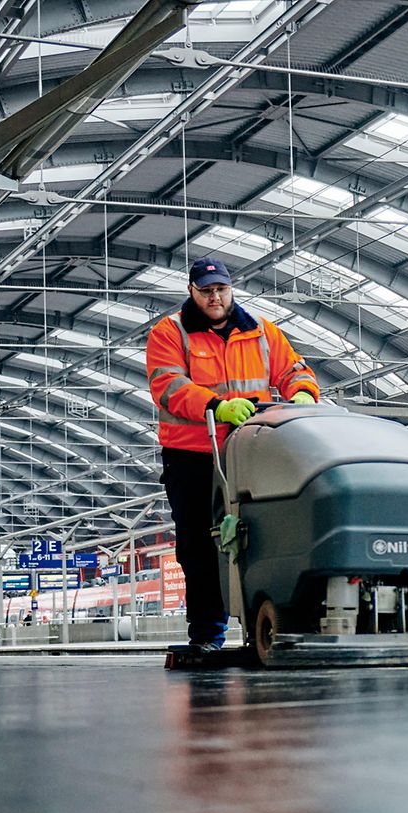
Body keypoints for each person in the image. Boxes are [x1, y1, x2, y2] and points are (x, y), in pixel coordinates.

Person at [146, 258, 321, 652]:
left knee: (258, 536)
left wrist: (303, 396)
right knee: (198, 545)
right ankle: (207, 635)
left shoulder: (262, 333)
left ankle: (266, 621)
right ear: (191, 291)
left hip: (250, 455)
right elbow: (168, 386)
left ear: (231, 289)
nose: (215, 297)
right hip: (191, 457)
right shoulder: (170, 333)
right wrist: (216, 405)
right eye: (206, 291)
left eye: (221, 289)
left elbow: (296, 369)